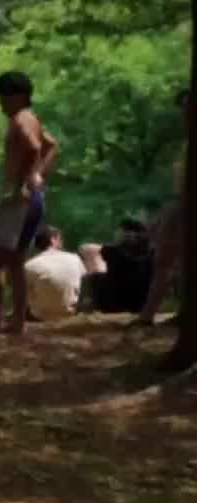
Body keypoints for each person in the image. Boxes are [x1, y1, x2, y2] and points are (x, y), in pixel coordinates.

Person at [0, 70, 59, 336]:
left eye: (5, 96)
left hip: (20, 199)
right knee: (16, 261)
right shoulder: (31, 118)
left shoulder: (20, 120)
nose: (1, 102)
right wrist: (39, 174)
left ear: (20, 96)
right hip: (34, 196)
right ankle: (17, 320)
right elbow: (51, 145)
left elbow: (32, 147)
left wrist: (20, 184)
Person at [137, 90, 189, 326]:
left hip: (183, 205)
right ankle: (151, 314)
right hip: (179, 203)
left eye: (188, 107)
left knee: (166, 260)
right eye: (183, 108)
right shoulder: (187, 141)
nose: (184, 113)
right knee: (165, 260)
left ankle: (151, 314)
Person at [79, 219, 154, 316]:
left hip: (113, 305)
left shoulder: (112, 251)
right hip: (141, 305)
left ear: (126, 234)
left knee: (88, 278)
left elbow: (86, 248)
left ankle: (81, 311)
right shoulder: (152, 254)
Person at [24, 227, 85, 321]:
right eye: (60, 239)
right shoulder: (75, 259)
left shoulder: (29, 265)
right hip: (72, 313)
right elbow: (84, 284)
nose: (62, 243)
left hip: (41, 317)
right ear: (53, 240)